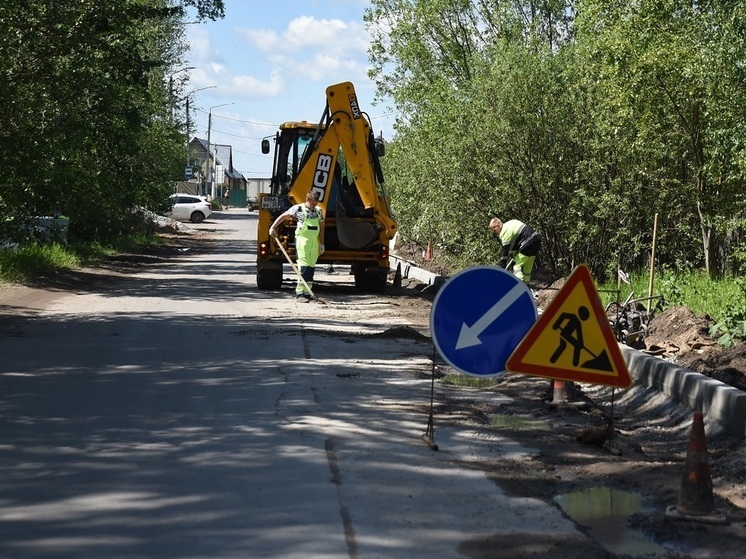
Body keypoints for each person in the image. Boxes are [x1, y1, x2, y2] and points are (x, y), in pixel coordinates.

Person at [269, 191, 325, 302]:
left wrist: (322, 243)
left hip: (314, 241)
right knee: (303, 265)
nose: (314, 205)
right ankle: (300, 293)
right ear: (307, 200)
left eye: (316, 203)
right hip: (302, 240)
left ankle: (308, 292)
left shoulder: (319, 211)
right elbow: (283, 216)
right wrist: (273, 227)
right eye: (312, 203)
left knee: (311, 266)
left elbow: (322, 227)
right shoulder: (298, 209)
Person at [488, 217, 541, 283]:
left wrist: (499, 268)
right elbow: (517, 241)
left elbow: (505, 255)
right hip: (536, 240)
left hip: (528, 243)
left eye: (494, 230)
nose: (494, 232)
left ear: (498, 225)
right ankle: (528, 288)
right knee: (527, 268)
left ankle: (522, 287)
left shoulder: (504, 232)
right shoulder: (511, 222)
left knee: (515, 266)